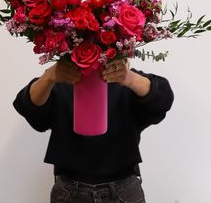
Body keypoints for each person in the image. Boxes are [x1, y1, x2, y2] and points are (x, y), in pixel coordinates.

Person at [13, 57, 174, 203]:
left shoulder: (126, 82)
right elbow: (27, 106)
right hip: (69, 191)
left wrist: (129, 78)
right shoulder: (61, 81)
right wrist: (49, 76)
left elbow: (163, 98)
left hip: (123, 189)